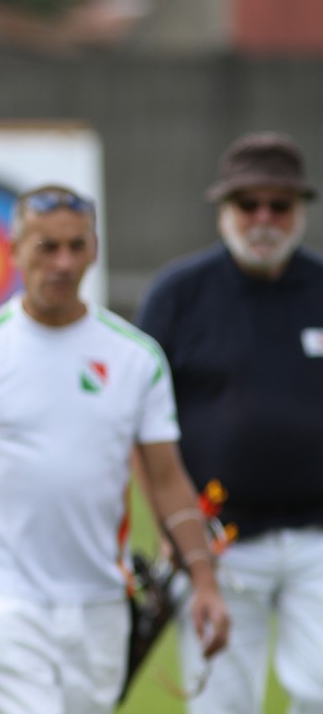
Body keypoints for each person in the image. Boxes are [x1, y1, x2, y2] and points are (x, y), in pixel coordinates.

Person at [0, 184, 230, 714]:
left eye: (76, 246)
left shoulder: (136, 357)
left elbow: (169, 479)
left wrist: (204, 582)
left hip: (103, 604)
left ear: (95, 250)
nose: (63, 262)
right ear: (13, 251)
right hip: (5, 600)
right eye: (46, 247)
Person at [135, 132, 323, 714]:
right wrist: (177, 532)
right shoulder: (178, 294)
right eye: (248, 204)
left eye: (279, 204)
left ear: (300, 211)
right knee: (224, 704)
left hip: (319, 536)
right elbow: (141, 428)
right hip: (218, 542)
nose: (263, 218)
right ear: (224, 209)